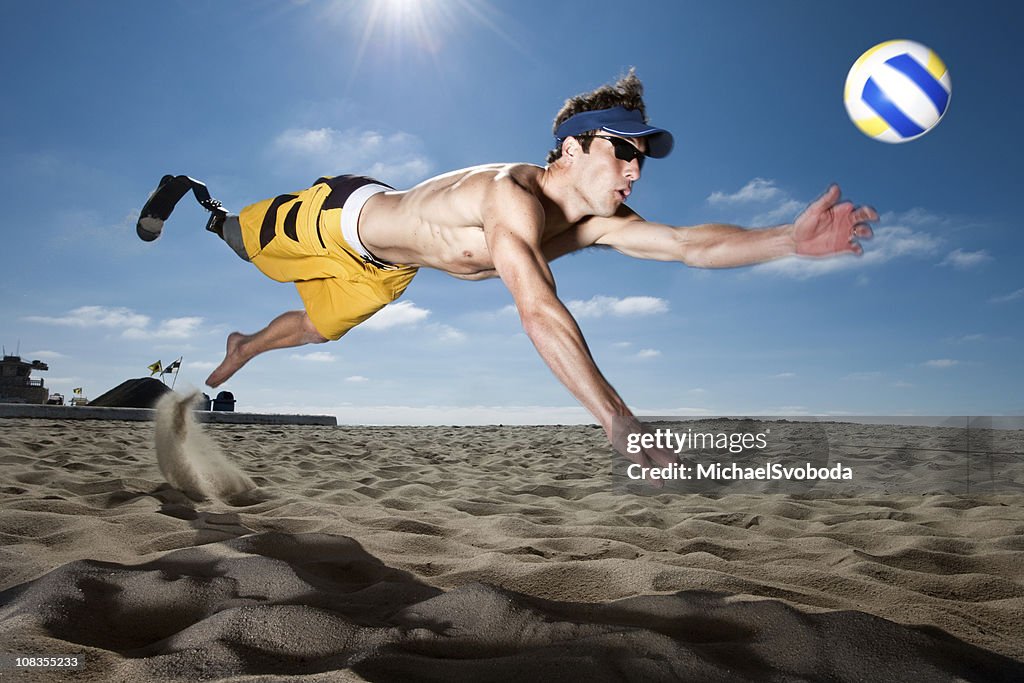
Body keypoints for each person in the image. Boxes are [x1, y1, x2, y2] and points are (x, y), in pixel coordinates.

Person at [137, 71, 876, 469]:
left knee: (319, 328)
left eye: (640, 158)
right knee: (243, 241)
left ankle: (244, 344)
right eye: (621, 151)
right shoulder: (512, 198)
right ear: (571, 150)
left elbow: (690, 245)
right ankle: (199, 200)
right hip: (336, 217)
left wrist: (788, 239)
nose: (633, 170)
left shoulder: (599, 222)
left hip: (387, 272)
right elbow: (538, 309)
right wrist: (616, 418)